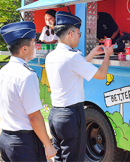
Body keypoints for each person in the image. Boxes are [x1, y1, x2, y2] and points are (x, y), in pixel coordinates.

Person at [45, 11, 113, 162]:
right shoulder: (72, 57)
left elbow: (75, 68)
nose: (78, 36)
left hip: (55, 114)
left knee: (60, 158)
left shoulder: (51, 56)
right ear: (70, 33)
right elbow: (101, 74)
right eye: (78, 33)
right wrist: (107, 55)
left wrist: (92, 54)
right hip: (71, 115)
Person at [0, 21, 57, 162]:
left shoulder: (3, 71)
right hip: (23, 142)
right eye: (33, 44)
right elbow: (34, 117)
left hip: (5, 139)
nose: (36, 47)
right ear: (24, 49)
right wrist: (48, 144)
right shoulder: (27, 75)